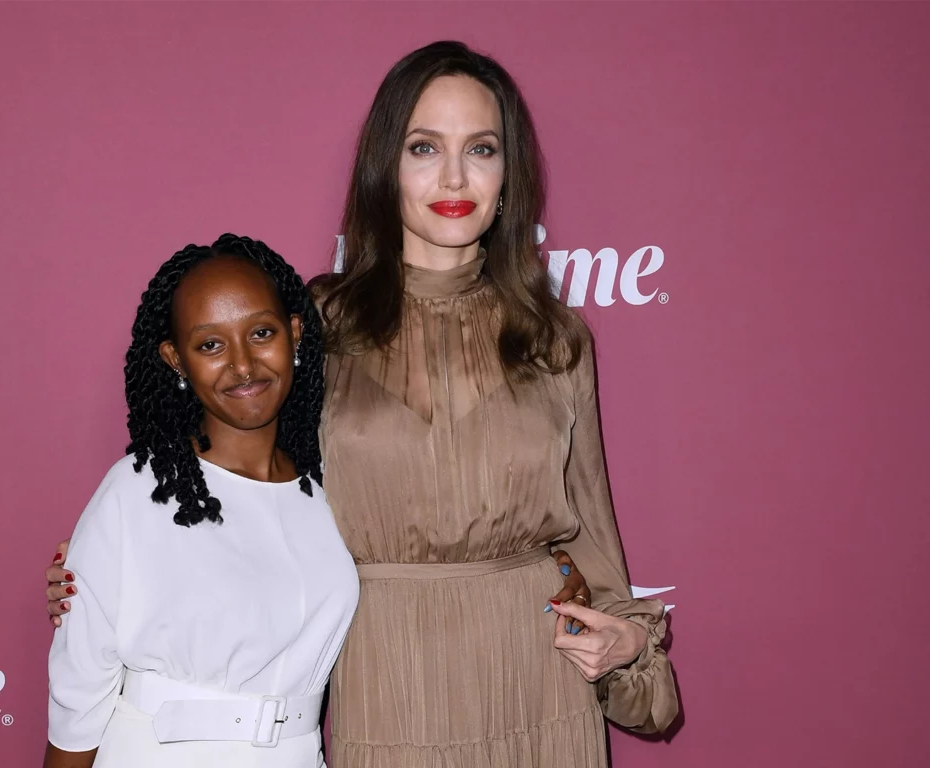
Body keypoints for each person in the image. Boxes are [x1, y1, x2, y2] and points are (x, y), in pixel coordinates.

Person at [48, 41, 678, 767]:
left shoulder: (554, 338)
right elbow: (228, 480)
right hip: (386, 683)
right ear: (386, 168)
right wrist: (101, 573)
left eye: (480, 149)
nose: (453, 176)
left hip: (537, 684)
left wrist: (629, 640)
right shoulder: (319, 325)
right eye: (424, 147)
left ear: (508, 176)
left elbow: (593, 537)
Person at [43, 234, 359, 768]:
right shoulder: (138, 490)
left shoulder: (333, 487)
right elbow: (79, 697)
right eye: (211, 345)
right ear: (175, 359)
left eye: (261, 333)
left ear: (295, 332)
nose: (243, 365)